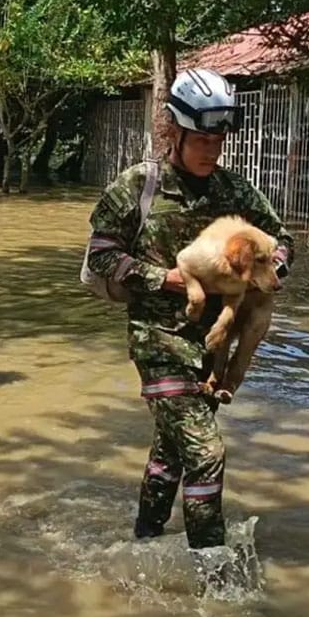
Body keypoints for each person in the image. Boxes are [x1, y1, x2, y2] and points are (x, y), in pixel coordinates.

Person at [84, 68, 294, 550]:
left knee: (174, 451)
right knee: (205, 454)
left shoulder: (237, 192)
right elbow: (101, 254)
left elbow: (281, 241)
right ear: (173, 131)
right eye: (201, 140)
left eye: (218, 140)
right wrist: (166, 279)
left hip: (213, 344)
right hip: (157, 340)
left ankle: (144, 539)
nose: (211, 150)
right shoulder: (139, 185)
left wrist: (271, 271)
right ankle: (214, 573)